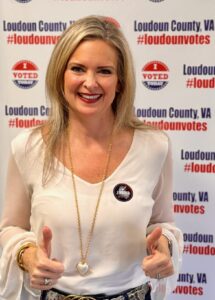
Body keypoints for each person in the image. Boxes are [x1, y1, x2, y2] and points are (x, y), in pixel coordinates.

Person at [0, 16, 183, 300]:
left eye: (104, 71)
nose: (90, 82)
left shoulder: (154, 146)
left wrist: (165, 247)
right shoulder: (28, 147)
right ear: (60, 74)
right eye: (78, 69)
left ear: (120, 81)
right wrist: (28, 255)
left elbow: (162, 224)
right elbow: (11, 228)